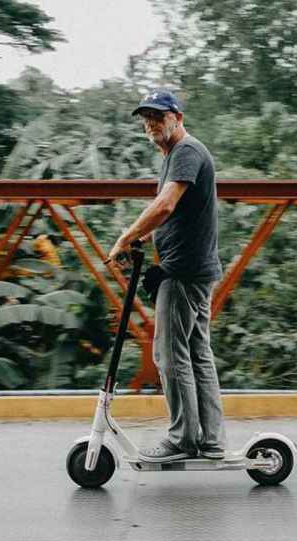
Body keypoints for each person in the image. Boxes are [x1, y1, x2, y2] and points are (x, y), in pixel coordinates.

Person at [105, 89, 226, 462]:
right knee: (196, 353)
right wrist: (144, 240)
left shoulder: (187, 151)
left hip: (185, 271)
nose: (150, 123)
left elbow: (165, 204)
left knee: (169, 356)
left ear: (177, 116)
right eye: (146, 118)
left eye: (158, 116)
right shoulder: (177, 154)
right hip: (194, 268)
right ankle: (210, 440)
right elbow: (170, 211)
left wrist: (126, 237)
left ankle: (182, 439)